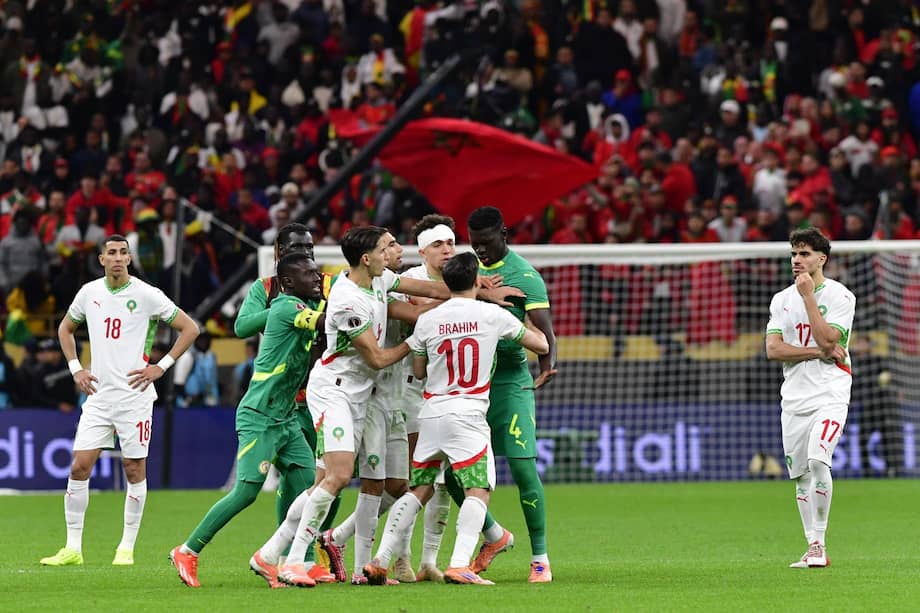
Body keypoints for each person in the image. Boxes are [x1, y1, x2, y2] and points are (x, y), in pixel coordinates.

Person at [363, 252, 549, 585]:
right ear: (476, 280)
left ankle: (380, 559)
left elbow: (419, 370)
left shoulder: (428, 320)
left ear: (446, 283)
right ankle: (460, 563)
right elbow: (541, 345)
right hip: (468, 414)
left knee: (419, 489)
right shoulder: (492, 315)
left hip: (431, 413)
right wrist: (528, 323)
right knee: (478, 490)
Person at [40, 235, 199, 567]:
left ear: (129, 258)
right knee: (79, 466)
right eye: (111, 252)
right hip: (98, 396)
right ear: (101, 259)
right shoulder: (89, 293)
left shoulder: (146, 294)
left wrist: (161, 367)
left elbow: (190, 328)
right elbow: (65, 329)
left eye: (123, 252)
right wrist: (76, 369)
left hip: (135, 397)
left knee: (133, 467)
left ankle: (126, 548)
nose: (117, 257)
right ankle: (72, 548)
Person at [169, 252, 326, 588]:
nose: (317, 278)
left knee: (311, 486)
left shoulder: (304, 304)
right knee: (246, 492)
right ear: (288, 282)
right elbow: (327, 323)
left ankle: (283, 558)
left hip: (285, 417)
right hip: (260, 415)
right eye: (309, 273)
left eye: (318, 272)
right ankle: (187, 550)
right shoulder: (287, 307)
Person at [231, 222, 337, 584]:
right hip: (285, 399)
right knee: (299, 480)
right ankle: (287, 553)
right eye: (296, 248)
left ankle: (309, 549)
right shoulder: (265, 288)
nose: (305, 253)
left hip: (321, 395)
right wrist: (283, 310)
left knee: (331, 480)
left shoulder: (325, 283)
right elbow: (242, 327)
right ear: (279, 251)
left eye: (309, 248)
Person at [465, 205, 558, 583]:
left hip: (509, 381)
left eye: (486, 243)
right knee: (453, 473)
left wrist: (548, 365)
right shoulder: (464, 270)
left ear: (503, 234)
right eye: (474, 244)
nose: (480, 251)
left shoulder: (525, 275)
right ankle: (493, 534)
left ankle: (540, 559)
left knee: (522, 468)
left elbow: (546, 333)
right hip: (469, 383)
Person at [765, 228, 854, 569]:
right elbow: (774, 350)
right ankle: (812, 545)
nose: (797, 260)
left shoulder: (841, 296)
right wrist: (817, 352)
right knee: (801, 475)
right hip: (794, 397)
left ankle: (820, 544)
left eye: (804, 254)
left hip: (831, 391)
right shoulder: (780, 299)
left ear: (822, 259)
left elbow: (830, 340)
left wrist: (808, 298)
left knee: (819, 460)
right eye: (793, 254)